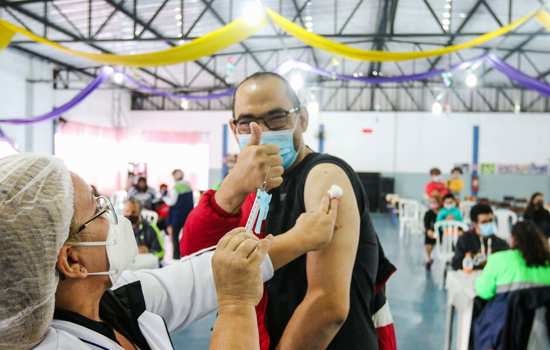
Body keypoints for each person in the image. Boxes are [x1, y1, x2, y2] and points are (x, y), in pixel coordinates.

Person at [0, 153, 340, 350]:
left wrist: (301, 237)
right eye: (98, 207)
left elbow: (200, 277)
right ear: (72, 260)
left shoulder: (110, 298)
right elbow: (226, 286)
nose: (114, 215)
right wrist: (236, 307)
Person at [181, 72, 396, 350]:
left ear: (302, 119)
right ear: (234, 129)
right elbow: (194, 260)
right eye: (247, 122)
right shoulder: (248, 187)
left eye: (277, 117)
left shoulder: (325, 175)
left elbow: (327, 307)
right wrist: (232, 188)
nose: (262, 131)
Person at [473, 221, 550, 349]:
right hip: (544, 333)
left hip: (503, 331)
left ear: (513, 239)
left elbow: (483, 292)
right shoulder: (548, 263)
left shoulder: (499, 259)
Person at [451, 204, 509, 271]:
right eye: (484, 222)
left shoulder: (500, 242)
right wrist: (473, 261)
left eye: (491, 220)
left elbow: (506, 263)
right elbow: (456, 264)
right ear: (474, 224)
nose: (489, 224)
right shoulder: (465, 240)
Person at [163, 169, 194, 260]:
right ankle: (187, 254)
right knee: (187, 235)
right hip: (188, 214)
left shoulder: (176, 187)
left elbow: (171, 202)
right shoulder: (188, 185)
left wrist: (164, 198)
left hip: (177, 215)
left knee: (175, 235)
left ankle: (176, 256)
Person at [424, 196, 441, 269]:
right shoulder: (428, 213)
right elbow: (426, 224)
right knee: (428, 244)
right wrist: (428, 230)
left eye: (434, 202)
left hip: (441, 232)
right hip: (432, 232)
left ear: (439, 203)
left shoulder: (442, 212)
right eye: (431, 202)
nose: (433, 204)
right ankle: (429, 258)